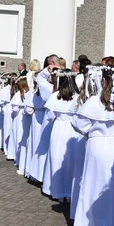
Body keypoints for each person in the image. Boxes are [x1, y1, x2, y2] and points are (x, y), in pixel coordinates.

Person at [72, 67, 114, 226]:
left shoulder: (95, 102)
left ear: (104, 82)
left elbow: (79, 125)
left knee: (95, 187)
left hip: (98, 148)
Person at [42, 70, 84, 201]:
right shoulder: (79, 97)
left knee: (57, 158)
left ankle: (57, 190)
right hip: (73, 130)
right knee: (71, 160)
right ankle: (70, 192)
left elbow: (49, 117)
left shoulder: (55, 96)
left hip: (59, 128)